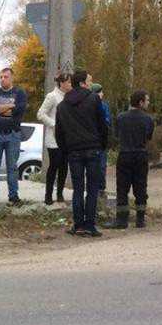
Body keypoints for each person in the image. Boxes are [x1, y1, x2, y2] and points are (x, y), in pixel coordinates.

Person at [56, 70, 108, 237]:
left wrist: (66, 150)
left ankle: (78, 225)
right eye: (89, 81)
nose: (91, 84)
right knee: (92, 188)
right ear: (82, 83)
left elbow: (59, 132)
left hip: (74, 151)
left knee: (77, 189)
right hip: (93, 148)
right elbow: (102, 124)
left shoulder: (62, 106)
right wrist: (102, 145)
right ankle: (90, 225)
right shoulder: (94, 99)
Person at [104, 90, 154, 229]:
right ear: (141, 102)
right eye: (147, 100)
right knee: (141, 187)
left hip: (125, 154)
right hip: (141, 155)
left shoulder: (121, 117)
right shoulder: (148, 119)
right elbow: (149, 136)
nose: (148, 103)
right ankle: (140, 219)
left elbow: (116, 135)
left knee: (122, 188)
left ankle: (121, 220)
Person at [0, 67, 28, 205]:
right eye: (1, 77)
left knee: (12, 167)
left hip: (13, 134)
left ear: (12, 78)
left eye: (5, 77)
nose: (3, 79)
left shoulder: (19, 93)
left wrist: (1, 108)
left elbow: (20, 109)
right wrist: (10, 106)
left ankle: (13, 196)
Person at [37, 73, 71, 205]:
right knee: (54, 166)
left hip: (66, 139)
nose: (70, 85)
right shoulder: (52, 96)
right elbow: (40, 114)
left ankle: (60, 194)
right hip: (53, 139)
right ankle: (48, 195)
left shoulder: (69, 97)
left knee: (64, 167)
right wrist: (54, 124)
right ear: (61, 83)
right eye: (68, 82)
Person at [91, 83, 112, 199]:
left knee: (102, 166)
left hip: (101, 140)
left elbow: (107, 121)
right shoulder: (88, 105)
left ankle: (101, 188)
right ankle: (93, 188)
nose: (102, 94)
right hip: (92, 140)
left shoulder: (104, 106)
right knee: (93, 165)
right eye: (100, 92)